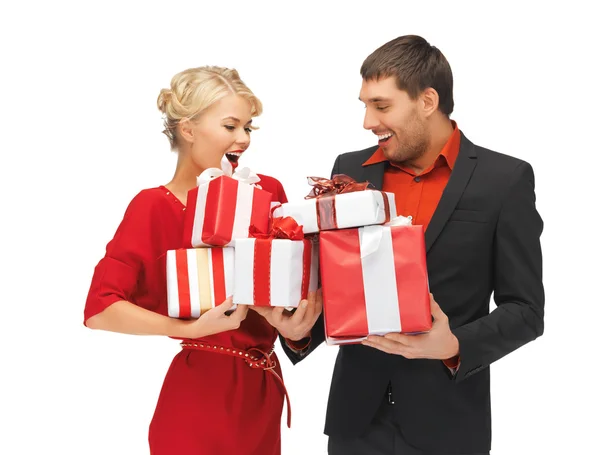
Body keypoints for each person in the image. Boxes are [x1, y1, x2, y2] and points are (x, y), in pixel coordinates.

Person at [272, 35, 545, 454]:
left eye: (381, 106)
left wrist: (454, 345)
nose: (367, 121)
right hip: (355, 422)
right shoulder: (347, 169)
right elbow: (337, 288)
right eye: (364, 105)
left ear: (428, 101)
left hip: (449, 423)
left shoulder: (504, 180)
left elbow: (525, 311)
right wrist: (300, 332)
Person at [83, 66, 321, 455]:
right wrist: (191, 329)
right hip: (198, 396)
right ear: (188, 129)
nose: (243, 139)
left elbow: (288, 283)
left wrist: (290, 326)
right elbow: (100, 310)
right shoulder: (152, 207)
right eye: (230, 126)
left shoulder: (267, 191)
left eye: (248, 127)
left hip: (262, 394)